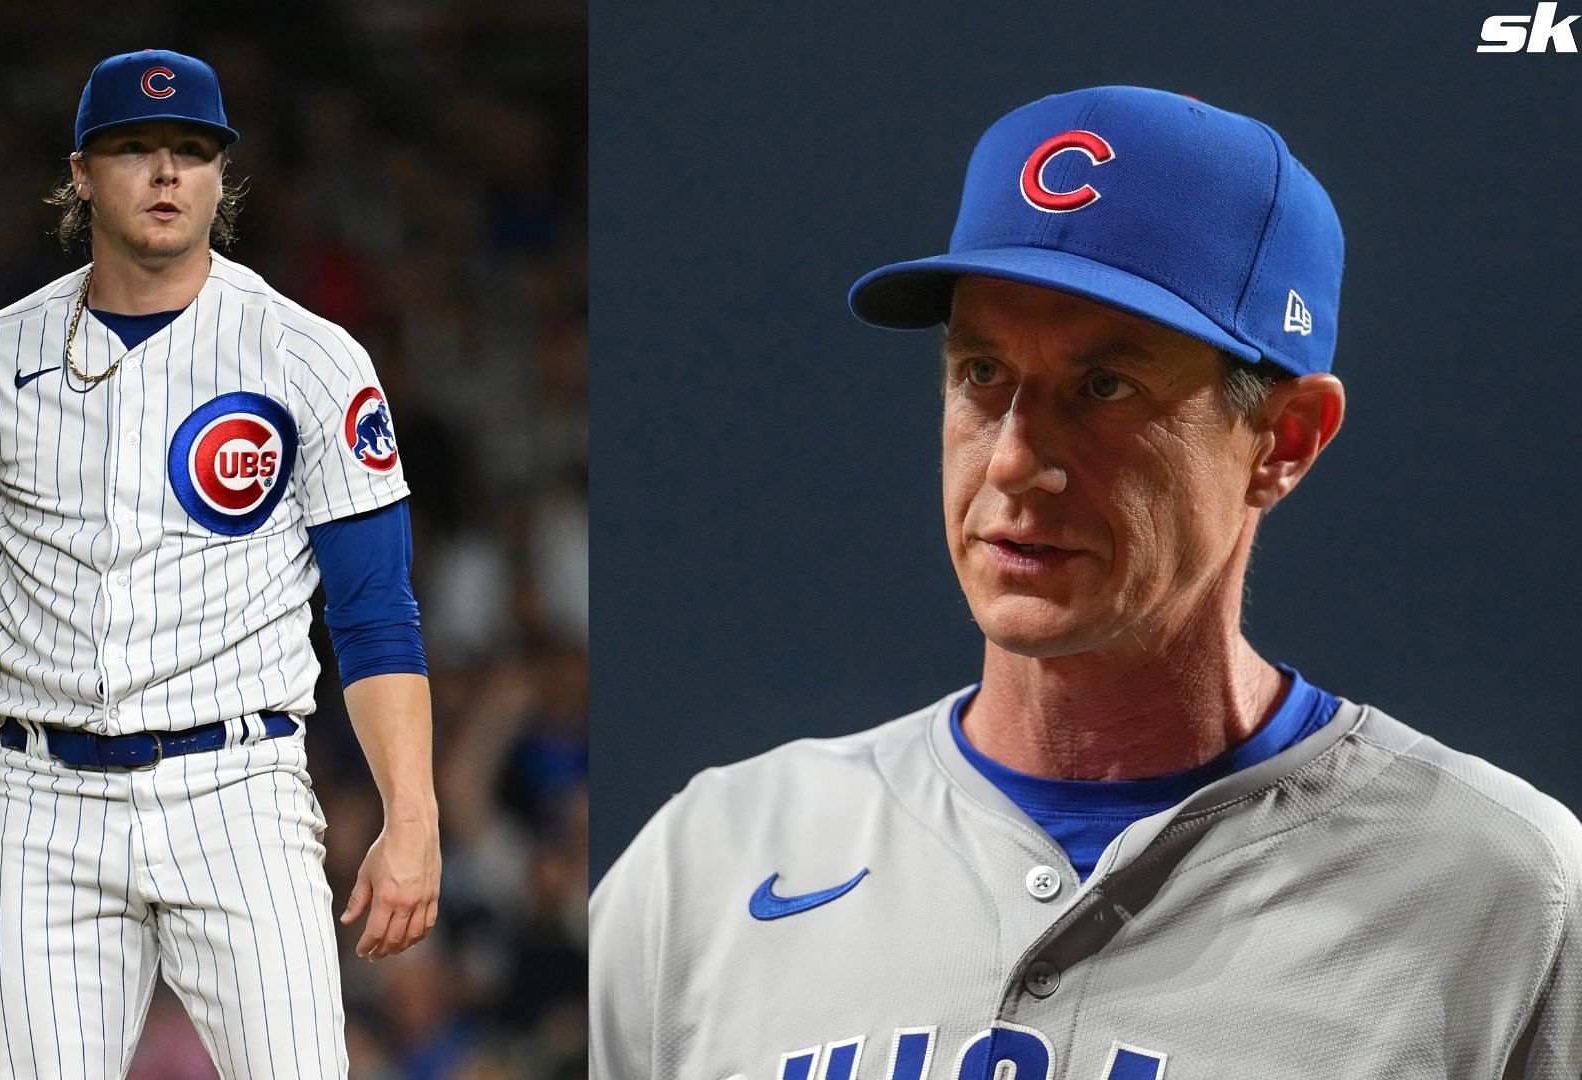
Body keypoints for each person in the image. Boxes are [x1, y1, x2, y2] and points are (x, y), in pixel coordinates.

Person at [590, 85, 1582, 1080]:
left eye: (1104, 387)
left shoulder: (1498, 889)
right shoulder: (709, 863)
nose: (1015, 461)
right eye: (981, 372)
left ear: (1284, 441)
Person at [0, 49, 439, 1078]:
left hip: (239, 790)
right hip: (45, 799)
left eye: (191, 151)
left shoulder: (308, 355)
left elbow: (373, 608)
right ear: (82, 173)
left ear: (223, 176)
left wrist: (412, 815)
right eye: (135, 150)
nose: (167, 173)